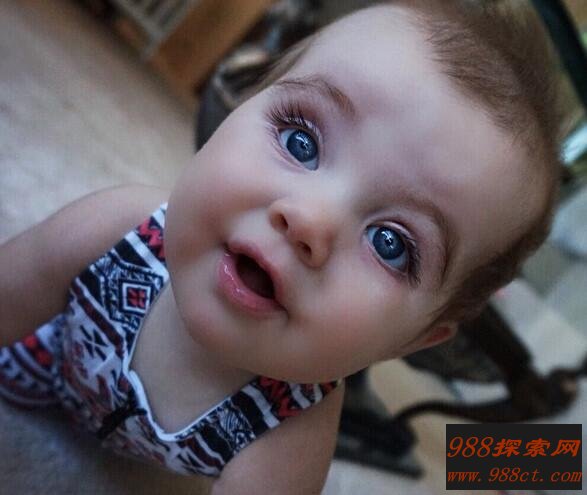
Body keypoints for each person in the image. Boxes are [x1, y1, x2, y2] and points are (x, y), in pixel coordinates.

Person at [0, 0, 563, 493]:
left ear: (416, 339)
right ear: (239, 104)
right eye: (301, 140)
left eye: (391, 243)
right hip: (37, 361)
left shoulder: (291, 430)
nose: (308, 221)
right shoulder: (124, 231)